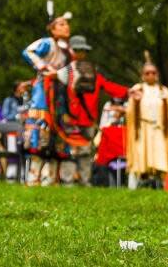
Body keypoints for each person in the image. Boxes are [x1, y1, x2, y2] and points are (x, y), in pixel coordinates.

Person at [55, 36, 129, 186]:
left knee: (86, 152)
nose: (80, 53)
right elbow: (57, 95)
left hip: (87, 121)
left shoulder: (93, 73)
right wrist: (61, 114)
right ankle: (67, 182)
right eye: (76, 50)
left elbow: (109, 87)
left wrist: (129, 92)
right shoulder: (65, 71)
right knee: (69, 152)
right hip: (69, 119)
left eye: (82, 50)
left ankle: (85, 181)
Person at [22, 10, 73, 185]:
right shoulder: (47, 43)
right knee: (40, 131)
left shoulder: (69, 50)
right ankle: (33, 176)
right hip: (43, 94)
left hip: (61, 96)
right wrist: (45, 68)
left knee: (58, 135)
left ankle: (50, 179)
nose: (66, 27)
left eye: (67, 24)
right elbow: (28, 52)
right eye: (61, 24)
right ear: (52, 29)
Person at [125, 58, 168, 189]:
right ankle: (137, 184)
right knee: (141, 155)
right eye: (147, 73)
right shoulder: (138, 88)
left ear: (157, 75)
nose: (150, 75)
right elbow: (129, 109)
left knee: (159, 157)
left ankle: (159, 184)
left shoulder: (163, 91)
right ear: (143, 75)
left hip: (159, 128)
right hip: (141, 128)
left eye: (153, 73)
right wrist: (136, 102)